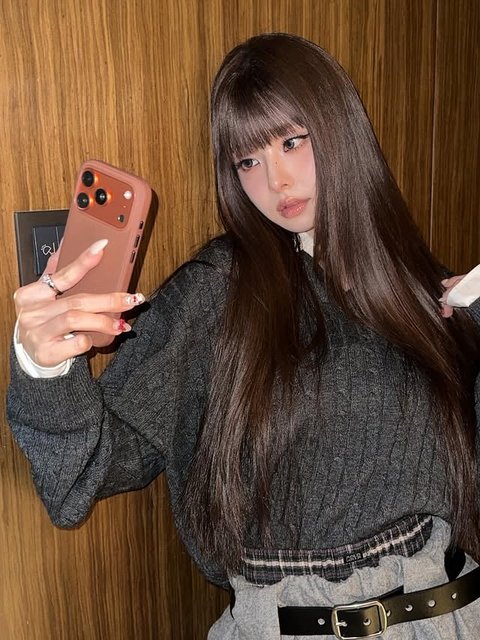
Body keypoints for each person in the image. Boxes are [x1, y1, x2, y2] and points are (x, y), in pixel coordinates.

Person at [8, 33, 480, 639]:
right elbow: (94, 468)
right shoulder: (219, 291)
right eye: (248, 161)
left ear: (340, 129)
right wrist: (45, 367)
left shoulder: (418, 282)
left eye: (292, 142)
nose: (276, 181)